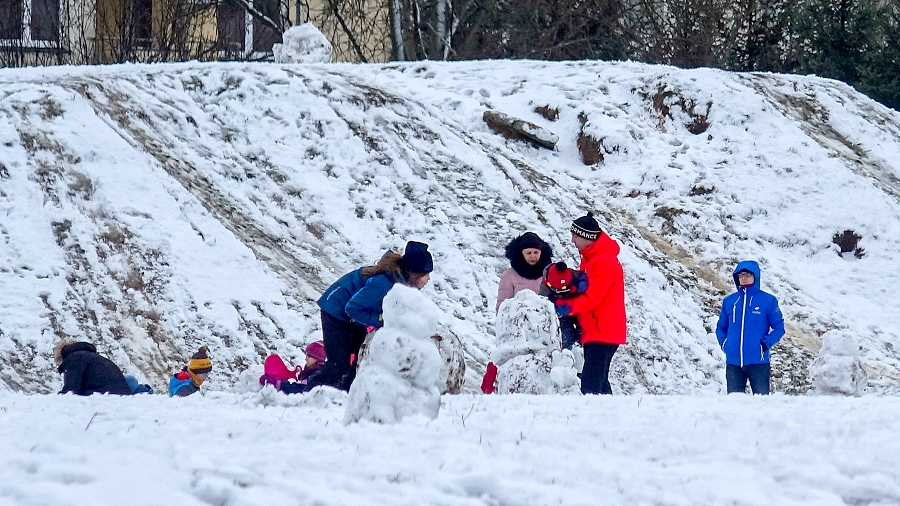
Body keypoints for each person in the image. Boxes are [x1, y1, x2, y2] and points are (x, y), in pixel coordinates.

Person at [269, 241, 435, 393]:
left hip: (351, 317)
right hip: (336, 312)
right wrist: (379, 320)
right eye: (425, 274)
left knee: (359, 359)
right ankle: (298, 390)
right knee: (338, 365)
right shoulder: (383, 283)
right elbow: (353, 308)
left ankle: (345, 391)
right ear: (413, 273)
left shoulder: (398, 281)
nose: (428, 279)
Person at [553, 212, 626, 395]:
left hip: (602, 330)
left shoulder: (603, 261)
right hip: (597, 329)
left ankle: (597, 418)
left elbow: (593, 298)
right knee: (599, 381)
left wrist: (568, 307)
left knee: (591, 385)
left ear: (587, 237)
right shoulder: (592, 259)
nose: (572, 241)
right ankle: (612, 416)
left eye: (575, 236)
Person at [715, 260, 785, 395]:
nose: (744, 278)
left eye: (747, 274)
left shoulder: (768, 301)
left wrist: (766, 343)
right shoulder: (730, 301)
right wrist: (725, 344)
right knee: (734, 403)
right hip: (734, 364)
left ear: (756, 276)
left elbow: (779, 328)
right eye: (740, 275)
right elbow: (721, 328)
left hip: (758, 363)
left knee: (761, 403)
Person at [496, 232, 553, 312]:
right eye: (528, 253)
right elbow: (502, 308)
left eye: (536, 252)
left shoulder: (550, 274)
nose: (533, 256)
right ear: (521, 253)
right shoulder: (509, 275)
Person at [54, 340, 133, 396]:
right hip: (122, 395)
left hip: (107, 396)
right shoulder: (92, 357)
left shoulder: (74, 358)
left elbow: (70, 390)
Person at [541, 261, 588, 350]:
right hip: (561, 312)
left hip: (576, 307)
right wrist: (554, 307)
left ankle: (582, 341)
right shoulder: (545, 287)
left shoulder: (573, 276)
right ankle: (566, 353)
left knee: (583, 328)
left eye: (564, 288)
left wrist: (582, 281)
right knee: (566, 336)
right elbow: (543, 303)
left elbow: (581, 274)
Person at [260, 340, 328, 393]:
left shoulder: (318, 375)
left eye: (309, 356)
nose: (306, 359)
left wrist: (278, 384)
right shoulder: (313, 370)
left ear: (318, 359)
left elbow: (300, 389)